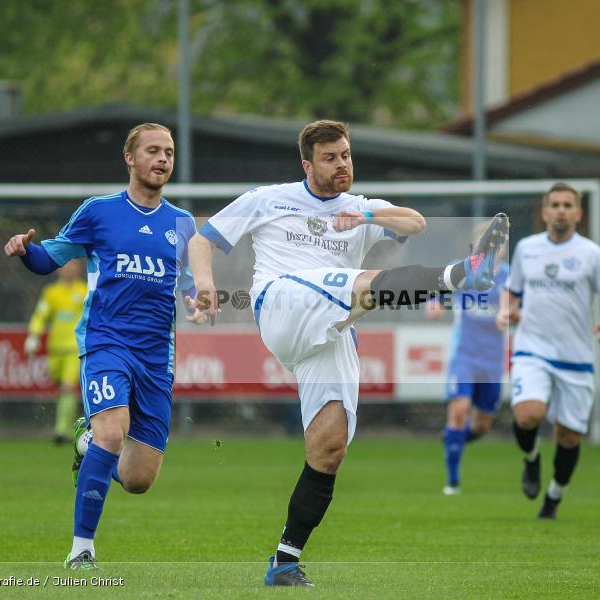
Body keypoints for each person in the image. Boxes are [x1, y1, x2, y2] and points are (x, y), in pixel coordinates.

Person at [189, 119, 508, 587]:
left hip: (332, 325)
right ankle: (462, 275)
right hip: (280, 301)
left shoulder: (360, 207)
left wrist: (369, 218)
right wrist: (205, 284)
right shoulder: (268, 198)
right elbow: (204, 239)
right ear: (307, 164)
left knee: (330, 446)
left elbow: (415, 222)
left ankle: (284, 560)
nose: (342, 165)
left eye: (346, 155)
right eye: (330, 158)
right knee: (360, 286)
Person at [4, 123, 206, 570]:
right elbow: (50, 258)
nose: (163, 159)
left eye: (169, 152)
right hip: (106, 342)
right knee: (112, 432)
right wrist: (25, 250)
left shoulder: (182, 224)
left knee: (138, 479)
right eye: (153, 151)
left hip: (156, 356)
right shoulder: (99, 212)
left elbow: (191, 288)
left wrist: (198, 303)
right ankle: (82, 551)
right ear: (129, 158)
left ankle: (85, 447)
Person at [495, 182, 600, 519]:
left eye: (567, 205)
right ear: (544, 212)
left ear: (578, 213)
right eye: (554, 204)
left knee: (569, 437)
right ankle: (531, 460)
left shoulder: (592, 254)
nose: (560, 210)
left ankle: (553, 497)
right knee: (528, 414)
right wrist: (505, 310)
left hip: (576, 358)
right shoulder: (526, 248)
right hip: (532, 350)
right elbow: (513, 293)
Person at [426, 222, 509, 496]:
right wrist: (435, 304)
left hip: (492, 361)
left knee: (482, 425)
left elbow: (511, 305)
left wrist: (506, 314)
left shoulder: (508, 275)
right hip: (464, 356)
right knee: (459, 411)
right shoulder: (462, 269)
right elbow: (438, 293)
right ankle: (452, 481)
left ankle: (453, 439)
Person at [25, 258, 87, 444]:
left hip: (75, 347)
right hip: (55, 348)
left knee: (68, 386)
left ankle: (62, 431)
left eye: (73, 265)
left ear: (78, 268)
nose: (68, 269)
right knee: (62, 388)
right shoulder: (51, 293)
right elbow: (40, 315)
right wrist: (33, 336)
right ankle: (72, 425)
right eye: (65, 265)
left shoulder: (84, 290)